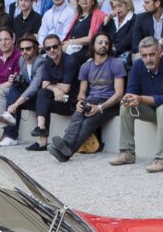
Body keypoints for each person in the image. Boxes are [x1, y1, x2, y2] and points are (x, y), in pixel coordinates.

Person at [109, 36, 163, 171]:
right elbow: (132, 90)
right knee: (126, 108)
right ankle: (127, 152)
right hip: (151, 109)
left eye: (152, 54)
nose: (148, 59)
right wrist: (129, 99)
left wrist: (142, 99)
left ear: (160, 53)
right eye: (144, 55)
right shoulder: (138, 65)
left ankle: (161, 159)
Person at [50, 32, 125, 162]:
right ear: (93, 45)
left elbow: (119, 94)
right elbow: (82, 92)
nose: (104, 45)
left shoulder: (116, 63)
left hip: (110, 104)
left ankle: (66, 151)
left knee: (88, 122)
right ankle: (66, 146)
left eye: (106, 43)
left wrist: (100, 107)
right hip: (91, 101)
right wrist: (80, 102)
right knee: (77, 116)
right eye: (100, 42)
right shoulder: (86, 66)